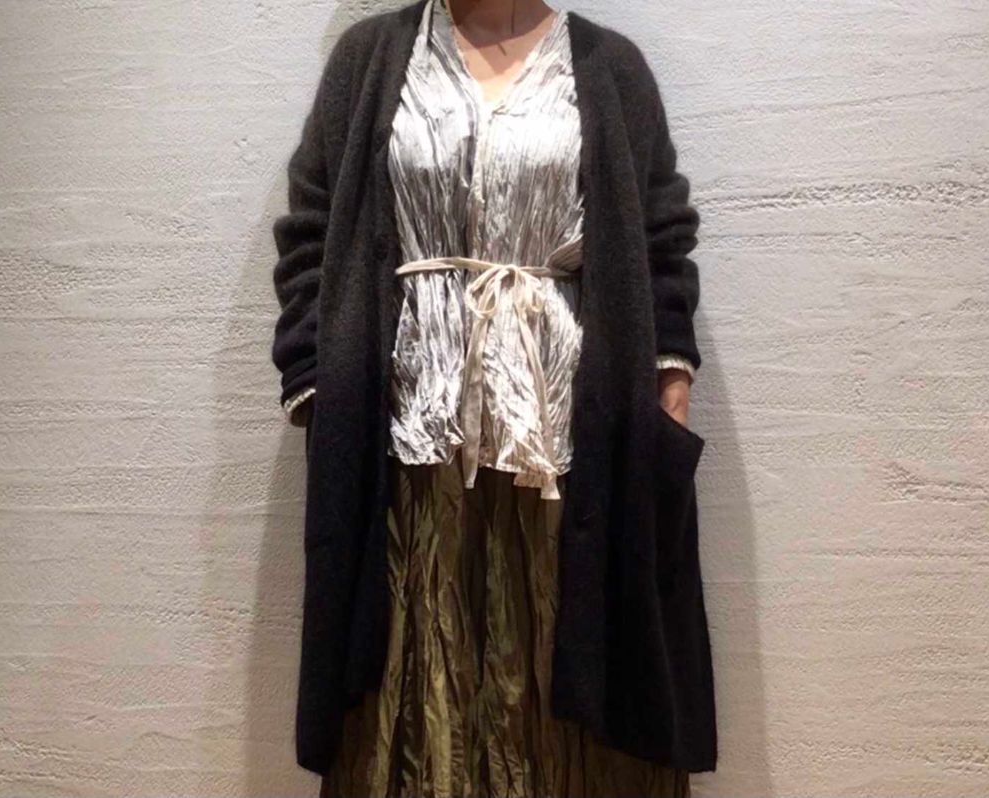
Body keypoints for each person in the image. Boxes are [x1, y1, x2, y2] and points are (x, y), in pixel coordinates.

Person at [269, 0, 716, 795]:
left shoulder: (611, 69)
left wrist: (669, 389)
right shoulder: (370, 60)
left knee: (563, 662)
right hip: (407, 443)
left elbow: (660, 240)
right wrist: (316, 383)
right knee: (414, 662)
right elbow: (311, 227)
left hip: (567, 444)